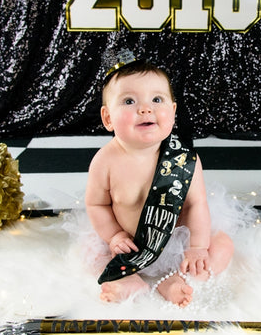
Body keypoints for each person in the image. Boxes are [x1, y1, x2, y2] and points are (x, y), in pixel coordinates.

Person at [84, 53, 234, 307]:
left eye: (157, 99)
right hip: (129, 244)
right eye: (129, 101)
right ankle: (128, 280)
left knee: (223, 246)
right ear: (108, 118)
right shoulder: (105, 161)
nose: (145, 108)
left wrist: (197, 247)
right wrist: (114, 236)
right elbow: (97, 205)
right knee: (89, 254)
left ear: (173, 112)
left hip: (177, 240)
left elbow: (196, 205)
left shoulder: (185, 160)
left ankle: (176, 279)